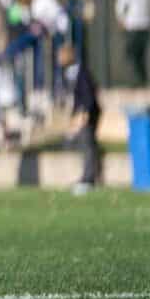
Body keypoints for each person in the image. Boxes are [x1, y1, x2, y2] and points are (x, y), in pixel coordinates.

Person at [60, 45, 102, 195]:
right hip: (80, 113)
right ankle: (87, 176)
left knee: (88, 145)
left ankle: (88, 178)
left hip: (87, 114)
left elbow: (88, 95)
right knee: (83, 145)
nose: (59, 58)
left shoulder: (81, 72)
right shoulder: (69, 73)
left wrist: (84, 114)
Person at [115, 0, 150, 87]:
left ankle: (135, 81)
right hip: (145, 29)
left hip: (133, 28)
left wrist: (121, 23)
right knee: (141, 55)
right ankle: (143, 80)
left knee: (131, 56)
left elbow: (120, 11)